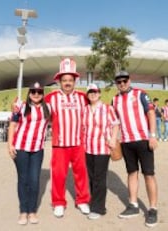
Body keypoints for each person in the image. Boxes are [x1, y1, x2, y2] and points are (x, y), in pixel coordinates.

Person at [111, 71, 159, 228]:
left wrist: (152, 135)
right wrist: (114, 139)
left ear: (129, 80)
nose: (122, 84)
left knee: (149, 175)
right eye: (119, 82)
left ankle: (152, 209)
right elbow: (115, 121)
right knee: (132, 173)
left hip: (143, 140)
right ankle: (133, 205)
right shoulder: (115, 99)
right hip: (126, 142)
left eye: (124, 81)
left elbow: (150, 112)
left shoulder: (140, 94)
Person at [45, 58, 91, 218]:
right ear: (59, 81)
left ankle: (83, 200)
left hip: (78, 143)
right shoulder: (51, 98)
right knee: (58, 175)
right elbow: (39, 112)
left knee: (81, 173)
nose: (67, 82)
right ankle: (58, 203)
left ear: (74, 81)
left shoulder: (82, 97)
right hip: (60, 144)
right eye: (64, 80)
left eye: (70, 80)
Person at [8, 82, 51, 225]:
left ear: (43, 94)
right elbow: (13, 125)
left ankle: (32, 211)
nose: (36, 94)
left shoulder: (48, 108)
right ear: (29, 93)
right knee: (23, 179)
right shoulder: (21, 106)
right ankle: (23, 211)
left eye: (39, 92)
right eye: (33, 91)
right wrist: (9, 145)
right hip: (21, 148)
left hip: (38, 149)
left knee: (34, 180)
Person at [82, 83, 120, 220]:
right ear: (87, 95)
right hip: (88, 148)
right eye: (90, 92)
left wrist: (113, 139)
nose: (93, 93)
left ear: (99, 93)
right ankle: (96, 203)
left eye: (95, 91)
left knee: (99, 177)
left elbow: (115, 124)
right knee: (92, 177)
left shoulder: (107, 109)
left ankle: (98, 208)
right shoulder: (84, 110)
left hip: (102, 148)